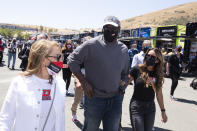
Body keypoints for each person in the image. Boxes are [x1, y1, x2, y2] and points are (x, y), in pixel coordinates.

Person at [67, 16, 129, 131]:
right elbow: (72, 60)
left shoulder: (123, 49)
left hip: (115, 100)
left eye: (113, 28)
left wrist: (122, 87)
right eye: (107, 27)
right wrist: (83, 82)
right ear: (102, 28)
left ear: (119, 30)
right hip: (94, 99)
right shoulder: (91, 44)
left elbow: (125, 74)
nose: (109, 30)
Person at [0, 40, 66, 131]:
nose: (61, 61)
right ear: (42, 59)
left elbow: (61, 121)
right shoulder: (19, 82)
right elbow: (5, 118)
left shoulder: (60, 84)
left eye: (62, 56)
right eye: (58, 57)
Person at [128, 48, 168, 131]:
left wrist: (163, 111)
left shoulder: (158, 74)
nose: (149, 57)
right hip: (136, 106)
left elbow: (159, 93)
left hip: (150, 108)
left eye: (152, 57)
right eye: (148, 55)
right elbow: (125, 83)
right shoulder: (137, 69)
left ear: (157, 60)